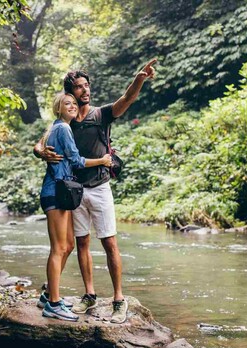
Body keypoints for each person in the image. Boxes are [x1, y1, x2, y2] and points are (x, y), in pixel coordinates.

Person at [34, 60, 157, 324]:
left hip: (100, 187)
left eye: (87, 85)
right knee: (81, 243)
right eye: (79, 88)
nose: (85, 91)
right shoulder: (66, 119)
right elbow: (42, 140)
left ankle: (118, 299)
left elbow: (126, 99)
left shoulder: (101, 114)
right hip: (73, 191)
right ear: (70, 94)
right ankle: (89, 295)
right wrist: (39, 151)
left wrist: (139, 79)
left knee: (110, 242)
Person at [38, 92, 112, 322]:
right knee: (59, 248)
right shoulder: (62, 128)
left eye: (73, 103)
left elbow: (44, 147)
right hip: (56, 191)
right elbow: (76, 160)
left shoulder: (55, 127)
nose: (71, 106)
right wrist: (102, 160)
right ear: (58, 109)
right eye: (66, 104)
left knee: (69, 245)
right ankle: (53, 304)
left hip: (61, 192)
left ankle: (50, 293)